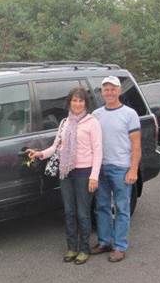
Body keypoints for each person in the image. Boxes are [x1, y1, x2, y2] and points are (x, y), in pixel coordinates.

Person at [28, 87, 102, 265]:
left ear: (85, 103)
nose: (77, 104)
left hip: (84, 172)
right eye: (74, 101)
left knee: (83, 213)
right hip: (65, 172)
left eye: (81, 101)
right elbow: (56, 147)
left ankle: (84, 249)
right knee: (69, 212)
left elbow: (98, 151)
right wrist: (40, 154)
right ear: (69, 103)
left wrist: (94, 176)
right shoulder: (64, 123)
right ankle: (72, 247)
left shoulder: (92, 123)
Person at [91, 76, 141, 262]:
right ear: (102, 92)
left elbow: (136, 146)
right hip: (101, 168)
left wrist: (133, 169)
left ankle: (120, 246)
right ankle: (104, 242)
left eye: (113, 89)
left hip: (121, 168)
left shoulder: (130, 114)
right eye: (106, 89)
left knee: (122, 208)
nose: (109, 92)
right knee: (102, 206)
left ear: (119, 91)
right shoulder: (96, 114)